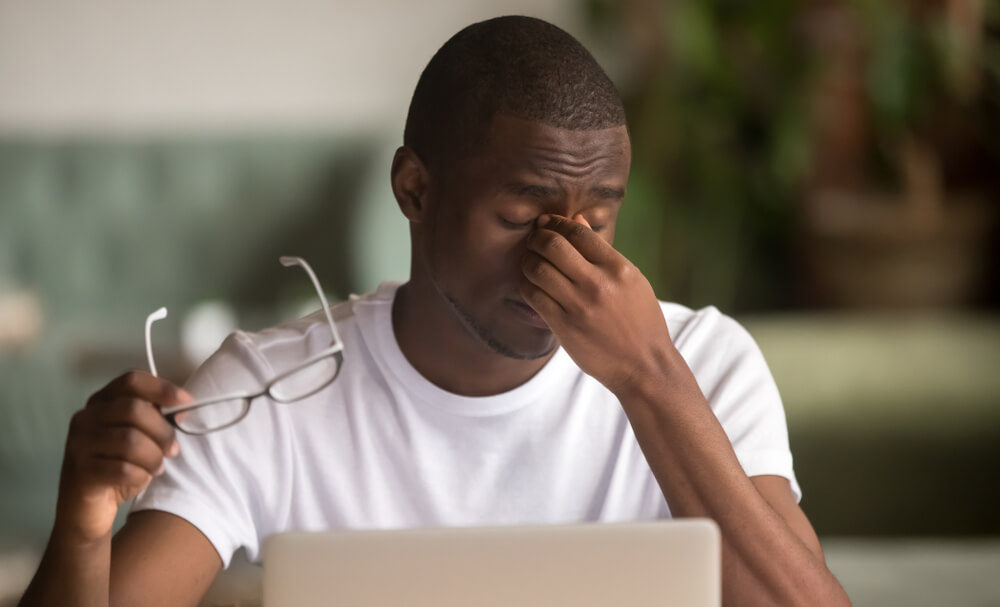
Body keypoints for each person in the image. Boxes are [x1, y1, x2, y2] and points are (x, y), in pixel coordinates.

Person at [19, 15, 850, 607]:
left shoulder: (702, 360)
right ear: (414, 189)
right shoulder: (274, 388)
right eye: (522, 214)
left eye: (599, 216)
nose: (563, 255)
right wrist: (84, 526)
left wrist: (647, 376)